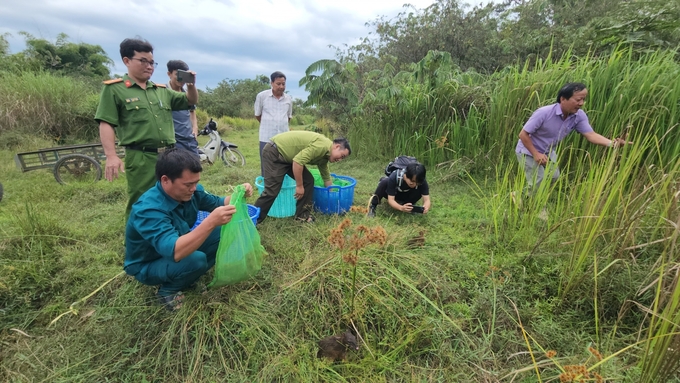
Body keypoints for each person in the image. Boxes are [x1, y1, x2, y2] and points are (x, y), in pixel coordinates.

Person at [124, 148, 253, 311]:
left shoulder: (191, 192)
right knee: (196, 260)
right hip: (148, 263)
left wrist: (239, 193)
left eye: (196, 182)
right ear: (165, 180)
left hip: (177, 245)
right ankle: (167, 290)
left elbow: (218, 202)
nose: (194, 188)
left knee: (223, 232)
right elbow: (175, 251)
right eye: (188, 184)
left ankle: (190, 276)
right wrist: (210, 222)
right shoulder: (149, 210)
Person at [94, 38, 198, 219]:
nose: (149, 66)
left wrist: (191, 85)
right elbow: (106, 122)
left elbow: (190, 101)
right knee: (141, 200)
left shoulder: (160, 90)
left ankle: (169, 236)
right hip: (141, 156)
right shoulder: (115, 90)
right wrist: (111, 155)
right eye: (143, 61)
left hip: (169, 155)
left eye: (152, 62)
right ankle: (135, 244)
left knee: (172, 197)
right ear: (127, 61)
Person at [516, 82, 630, 193]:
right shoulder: (544, 113)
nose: (581, 103)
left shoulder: (578, 116)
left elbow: (591, 135)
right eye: (578, 100)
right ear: (563, 99)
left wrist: (612, 143)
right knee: (539, 180)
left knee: (553, 177)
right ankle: (538, 208)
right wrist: (536, 154)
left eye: (583, 100)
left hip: (548, 152)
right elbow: (523, 134)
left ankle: (519, 197)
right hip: (528, 150)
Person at [254, 131, 351, 223]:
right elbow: (298, 162)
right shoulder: (322, 146)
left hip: (289, 158)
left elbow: (325, 175)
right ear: (337, 146)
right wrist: (299, 186)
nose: (340, 160)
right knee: (272, 191)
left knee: (308, 180)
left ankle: (302, 216)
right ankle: (252, 220)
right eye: (342, 156)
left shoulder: (325, 155)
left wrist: (332, 193)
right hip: (275, 152)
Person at [254, 71, 293, 176]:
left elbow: (288, 116)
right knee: (266, 165)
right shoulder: (262, 96)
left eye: (283, 84)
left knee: (284, 163)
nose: (281, 86)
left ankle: (283, 186)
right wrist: (269, 124)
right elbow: (258, 115)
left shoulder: (288, 98)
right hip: (266, 137)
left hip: (284, 138)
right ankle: (267, 188)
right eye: (278, 84)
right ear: (271, 83)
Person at [367, 162, 431, 217]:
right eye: (412, 181)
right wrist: (401, 208)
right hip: (393, 193)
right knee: (384, 182)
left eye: (417, 183)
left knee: (420, 188)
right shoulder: (394, 176)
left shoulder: (421, 181)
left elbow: (427, 199)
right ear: (405, 175)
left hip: (407, 195)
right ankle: (373, 206)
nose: (414, 184)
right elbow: (391, 200)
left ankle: (408, 205)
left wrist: (426, 207)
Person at [166, 60, 199, 156]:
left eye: (183, 75)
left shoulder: (188, 93)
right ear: (169, 74)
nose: (181, 79)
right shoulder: (163, 91)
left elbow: (192, 110)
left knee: (195, 167)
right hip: (173, 140)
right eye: (177, 75)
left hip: (189, 138)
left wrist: (195, 128)